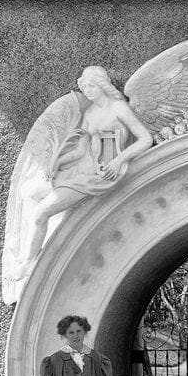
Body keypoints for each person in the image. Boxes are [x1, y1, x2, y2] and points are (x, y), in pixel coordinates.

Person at [16, 66, 154, 277]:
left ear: (102, 84)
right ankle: (40, 247)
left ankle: (30, 262)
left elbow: (145, 139)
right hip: (83, 167)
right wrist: (57, 162)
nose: (87, 90)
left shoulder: (119, 108)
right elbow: (81, 149)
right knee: (28, 191)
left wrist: (118, 161)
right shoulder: (89, 113)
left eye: (91, 85)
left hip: (100, 173)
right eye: (84, 86)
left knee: (39, 213)